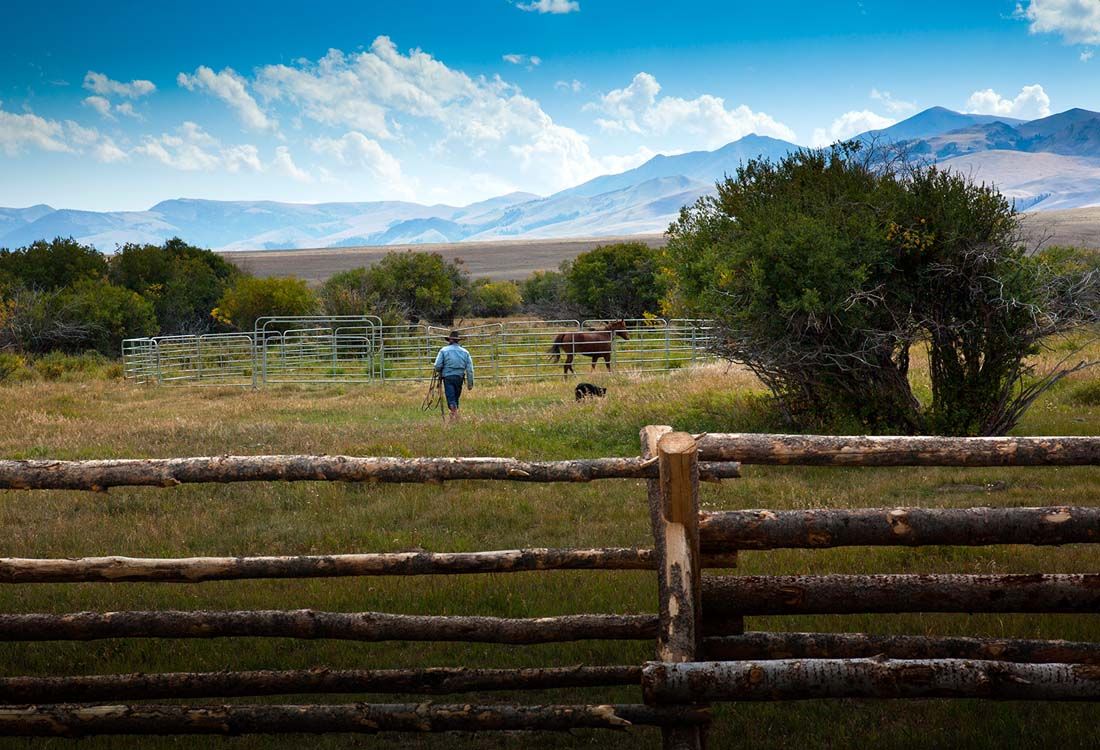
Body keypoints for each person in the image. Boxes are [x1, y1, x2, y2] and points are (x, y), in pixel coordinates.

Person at [433, 330, 474, 420]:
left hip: (448, 377)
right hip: (459, 377)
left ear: (450, 340)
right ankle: (454, 414)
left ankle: (454, 414)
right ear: (458, 341)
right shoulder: (465, 352)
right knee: (455, 396)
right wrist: (470, 383)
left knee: (450, 396)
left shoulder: (443, 350)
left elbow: (437, 365)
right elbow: (470, 370)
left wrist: (439, 370)